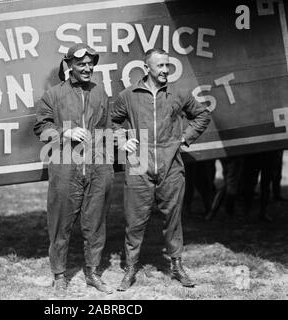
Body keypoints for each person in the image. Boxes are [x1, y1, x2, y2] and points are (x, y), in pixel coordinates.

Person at [111, 48, 211, 290]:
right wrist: (122, 139)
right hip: (139, 162)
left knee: (173, 218)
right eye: (160, 66)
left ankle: (176, 266)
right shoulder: (129, 95)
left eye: (168, 65)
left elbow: (202, 115)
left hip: (171, 163)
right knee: (135, 220)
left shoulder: (178, 93)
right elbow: (111, 121)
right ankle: (131, 267)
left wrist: (185, 138)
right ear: (147, 68)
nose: (166, 70)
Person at [33, 43, 114, 294]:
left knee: (95, 224)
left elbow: (109, 127)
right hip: (65, 168)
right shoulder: (53, 96)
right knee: (60, 224)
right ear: (69, 66)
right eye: (81, 64)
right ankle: (59, 276)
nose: (87, 68)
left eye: (91, 64)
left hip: (97, 167)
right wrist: (65, 132)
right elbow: (40, 128)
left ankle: (92, 273)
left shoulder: (101, 93)